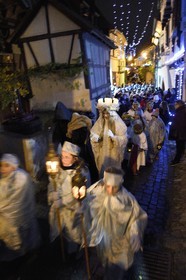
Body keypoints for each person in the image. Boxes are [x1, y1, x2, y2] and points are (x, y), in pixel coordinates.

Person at [87, 166, 148, 280]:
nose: (109, 190)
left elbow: (138, 216)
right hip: (101, 240)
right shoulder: (96, 191)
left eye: (114, 187)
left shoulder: (127, 198)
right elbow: (86, 202)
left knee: (115, 272)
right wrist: (82, 206)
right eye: (108, 186)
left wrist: (135, 232)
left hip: (119, 243)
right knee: (101, 261)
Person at [47, 141, 91, 256]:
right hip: (59, 209)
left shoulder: (82, 173)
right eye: (62, 156)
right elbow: (52, 184)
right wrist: (52, 195)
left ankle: (73, 253)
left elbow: (81, 194)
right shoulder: (57, 169)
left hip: (74, 211)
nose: (63, 159)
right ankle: (61, 252)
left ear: (75, 158)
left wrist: (63, 201)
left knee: (73, 234)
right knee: (59, 231)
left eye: (67, 157)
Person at [0, 153, 40, 261]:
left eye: (6, 165)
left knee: (21, 234)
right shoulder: (3, 180)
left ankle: (25, 254)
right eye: (1, 165)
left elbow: (18, 200)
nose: (3, 168)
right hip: (7, 217)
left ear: (13, 167)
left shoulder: (22, 178)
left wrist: (4, 207)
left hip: (20, 216)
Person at [90, 98, 128, 178]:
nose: (105, 116)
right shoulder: (100, 122)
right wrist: (96, 138)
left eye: (107, 113)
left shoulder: (119, 124)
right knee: (103, 169)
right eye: (104, 114)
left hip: (113, 153)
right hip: (103, 152)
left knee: (113, 171)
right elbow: (93, 133)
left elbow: (124, 139)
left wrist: (114, 138)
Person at [169, 100, 186, 165]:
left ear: (179, 105)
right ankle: (178, 158)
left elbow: (180, 123)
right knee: (180, 147)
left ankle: (177, 160)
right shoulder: (181, 111)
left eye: (176, 104)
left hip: (180, 133)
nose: (174, 105)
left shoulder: (181, 112)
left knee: (179, 147)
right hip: (181, 133)